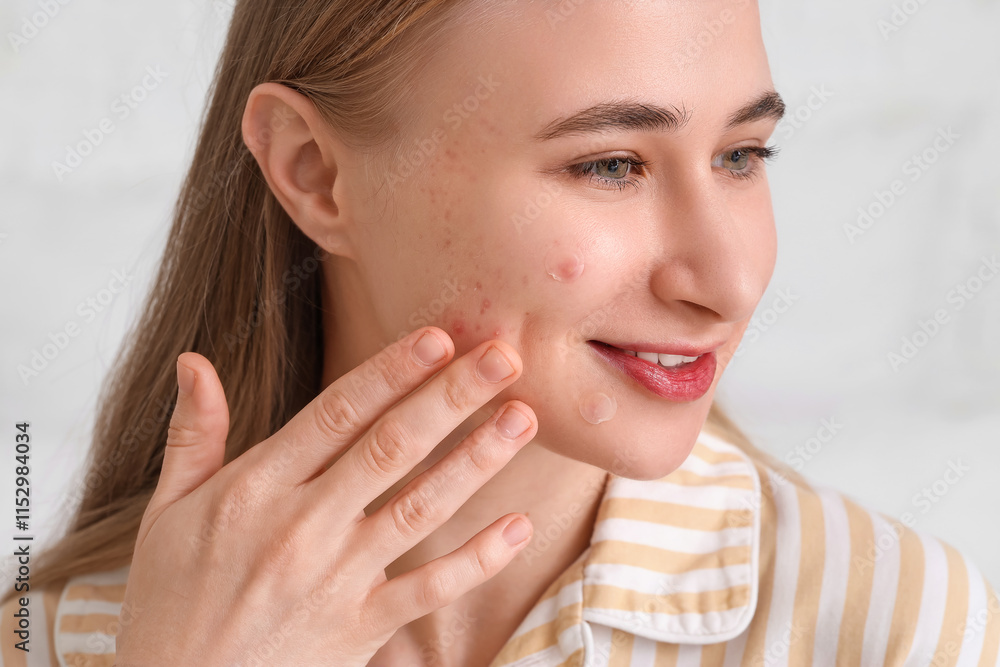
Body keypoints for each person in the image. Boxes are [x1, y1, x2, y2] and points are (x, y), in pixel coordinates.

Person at [3, 0, 998, 665]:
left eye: (742, 153)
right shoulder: (46, 640)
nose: (729, 280)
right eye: (610, 164)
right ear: (313, 172)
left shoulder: (895, 625)